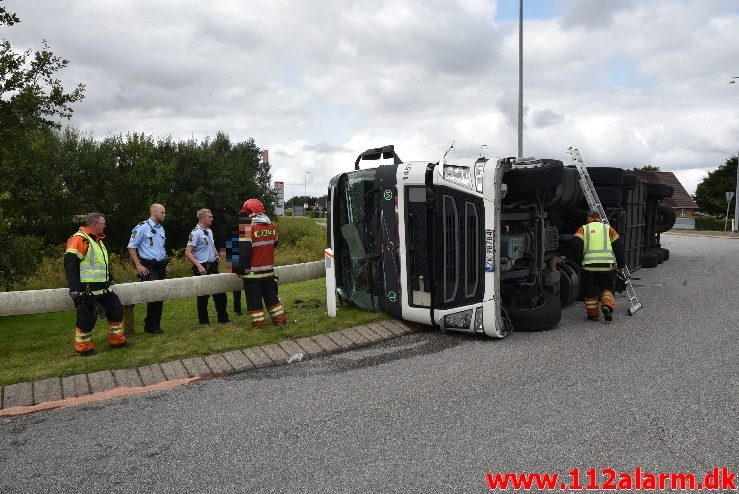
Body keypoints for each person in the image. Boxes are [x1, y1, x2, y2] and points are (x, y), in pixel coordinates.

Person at [64, 213, 125, 356]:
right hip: (87, 290)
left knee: (116, 311)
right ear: (95, 224)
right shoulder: (79, 239)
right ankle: (84, 348)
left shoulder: (96, 240)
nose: (105, 226)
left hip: (104, 288)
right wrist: (74, 289)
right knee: (86, 319)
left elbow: (100, 263)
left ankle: (118, 342)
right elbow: (70, 265)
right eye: (103, 223)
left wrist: (109, 277)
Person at [234, 199, 286, 328]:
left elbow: (242, 254)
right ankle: (279, 320)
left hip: (252, 275)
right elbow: (274, 245)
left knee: (254, 301)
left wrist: (238, 271)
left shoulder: (247, 228)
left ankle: (259, 325)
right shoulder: (272, 226)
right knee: (272, 298)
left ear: (249, 212)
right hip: (268, 272)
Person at [572, 210, 626, 322]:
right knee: (607, 289)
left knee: (590, 292)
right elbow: (619, 247)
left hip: (589, 267)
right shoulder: (608, 229)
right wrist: (621, 264)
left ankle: (593, 315)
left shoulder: (583, 229)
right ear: (600, 218)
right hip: (607, 266)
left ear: (588, 218)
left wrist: (580, 261)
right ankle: (607, 306)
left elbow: (576, 244)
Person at [127, 203, 167, 333]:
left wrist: (163, 265)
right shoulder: (142, 227)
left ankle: (154, 324)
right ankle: (151, 325)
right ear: (154, 212)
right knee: (154, 294)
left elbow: (160, 248)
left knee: (159, 295)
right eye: (162, 212)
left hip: (160, 265)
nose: (164, 215)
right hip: (148, 266)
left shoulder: (161, 228)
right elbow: (131, 246)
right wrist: (138, 265)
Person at [184, 208, 229, 325]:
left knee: (220, 293)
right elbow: (188, 252)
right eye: (210, 217)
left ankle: (223, 318)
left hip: (213, 266)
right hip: (202, 267)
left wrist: (216, 254)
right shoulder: (195, 233)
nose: (212, 218)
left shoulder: (209, 231)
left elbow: (211, 245)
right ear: (202, 218)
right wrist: (199, 266)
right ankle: (204, 322)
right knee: (203, 296)